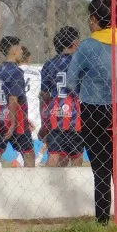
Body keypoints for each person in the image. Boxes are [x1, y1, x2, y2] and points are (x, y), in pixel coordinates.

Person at [69, 0, 115, 225]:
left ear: (95, 19)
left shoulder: (88, 46)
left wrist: (82, 88)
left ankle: (102, 218)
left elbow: (71, 79)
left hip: (93, 110)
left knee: (101, 167)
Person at [0, 36, 35, 168]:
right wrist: (13, 123)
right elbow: (13, 99)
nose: (21, 51)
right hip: (15, 119)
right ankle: (29, 186)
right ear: (13, 50)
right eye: (19, 48)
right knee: (28, 154)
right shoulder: (16, 71)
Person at [39, 26, 84, 167]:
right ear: (75, 42)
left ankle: (47, 186)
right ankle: (74, 185)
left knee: (54, 153)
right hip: (74, 115)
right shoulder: (79, 62)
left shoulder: (49, 64)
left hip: (55, 114)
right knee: (76, 155)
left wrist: (43, 121)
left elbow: (44, 95)